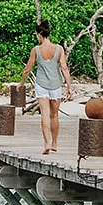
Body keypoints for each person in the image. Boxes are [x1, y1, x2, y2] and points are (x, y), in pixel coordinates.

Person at [20, 21, 73, 154]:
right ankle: (55, 143)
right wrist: (69, 87)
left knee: (45, 114)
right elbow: (64, 68)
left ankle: (47, 144)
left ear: (39, 35)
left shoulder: (36, 50)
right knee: (54, 115)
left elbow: (27, 69)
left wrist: (21, 83)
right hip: (56, 85)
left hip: (42, 85)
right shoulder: (59, 49)